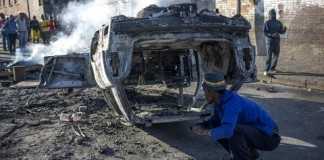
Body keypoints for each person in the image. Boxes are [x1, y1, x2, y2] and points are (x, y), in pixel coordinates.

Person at [191, 72, 281, 160]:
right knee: (218, 127)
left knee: (231, 130)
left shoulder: (232, 103)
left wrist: (206, 132)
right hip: (255, 132)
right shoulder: (221, 100)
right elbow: (215, 121)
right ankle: (249, 155)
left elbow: (228, 131)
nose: (204, 95)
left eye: (205, 91)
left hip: (269, 137)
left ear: (212, 92)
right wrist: (202, 125)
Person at [263, 9, 287, 75]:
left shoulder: (278, 22)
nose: (273, 15)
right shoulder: (267, 23)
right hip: (270, 42)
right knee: (269, 56)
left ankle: (272, 68)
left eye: (274, 13)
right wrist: (271, 35)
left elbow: (281, 31)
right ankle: (266, 70)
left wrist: (284, 30)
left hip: (276, 41)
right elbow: (265, 32)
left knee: (276, 55)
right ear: (270, 14)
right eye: (272, 14)